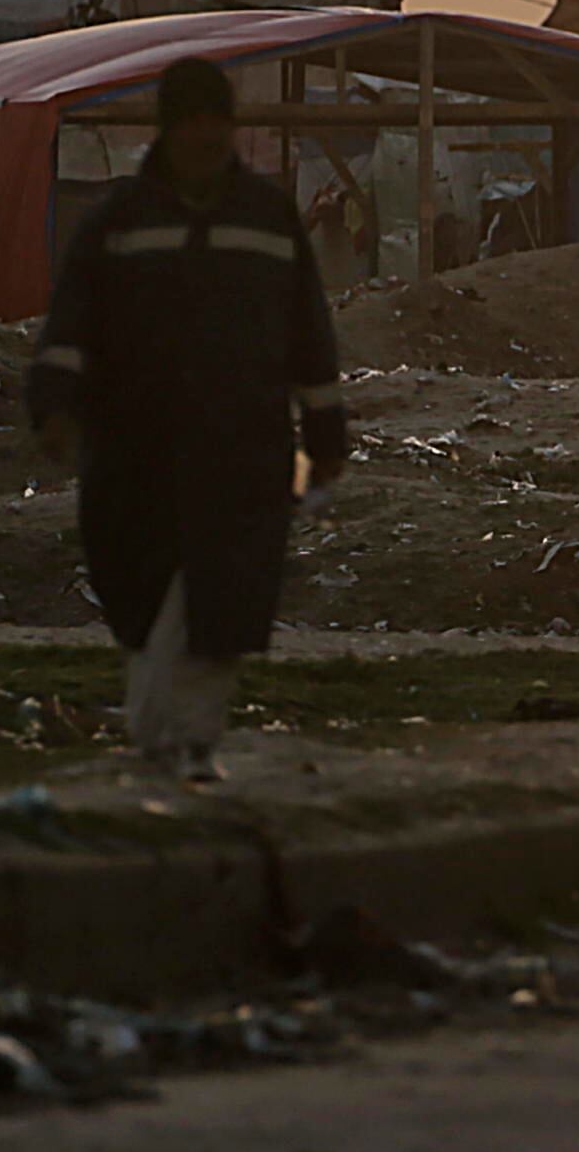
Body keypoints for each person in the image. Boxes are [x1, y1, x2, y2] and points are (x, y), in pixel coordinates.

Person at [28, 58, 351, 780]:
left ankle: (192, 746)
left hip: (243, 452)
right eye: (194, 122)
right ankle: (157, 738)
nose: (208, 136)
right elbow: (73, 321)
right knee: (141, 593)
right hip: (135, 450)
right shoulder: (118, 224)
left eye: (218, 120)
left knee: (225, 601)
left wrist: (325, 438)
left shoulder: (268, 221)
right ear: (170, 129)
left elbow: (309, 335)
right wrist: (54, 406)